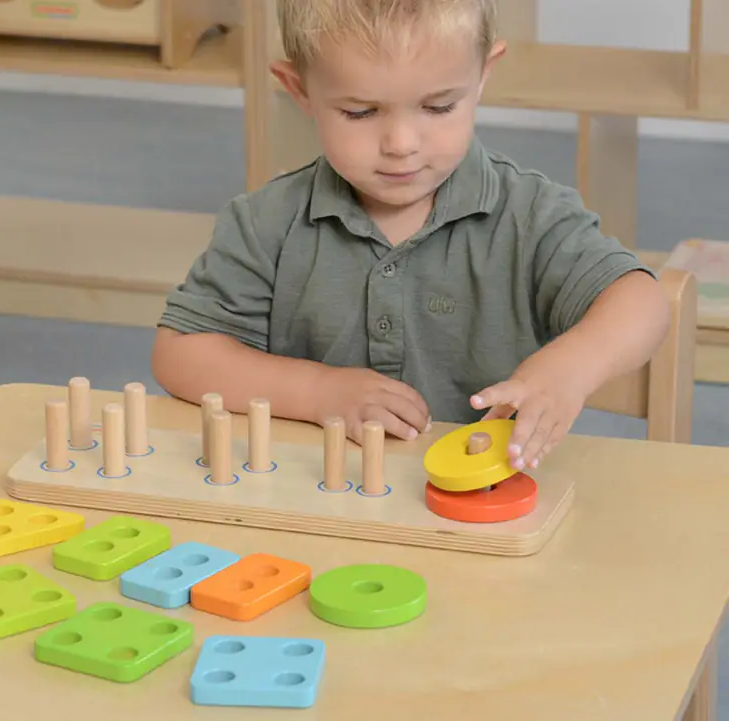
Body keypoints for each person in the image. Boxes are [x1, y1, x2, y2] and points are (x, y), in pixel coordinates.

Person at [150, 0, 671, 472]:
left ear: (483, 74)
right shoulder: (265, 222)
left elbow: (640, 300)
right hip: (318, 495)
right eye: (360, 112)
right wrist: (316, 392)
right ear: (299, 89)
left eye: (438, 107)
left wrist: (570, 368)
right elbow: (181, 354)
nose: (401, 144)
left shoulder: (529, 214)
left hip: (485, 507)